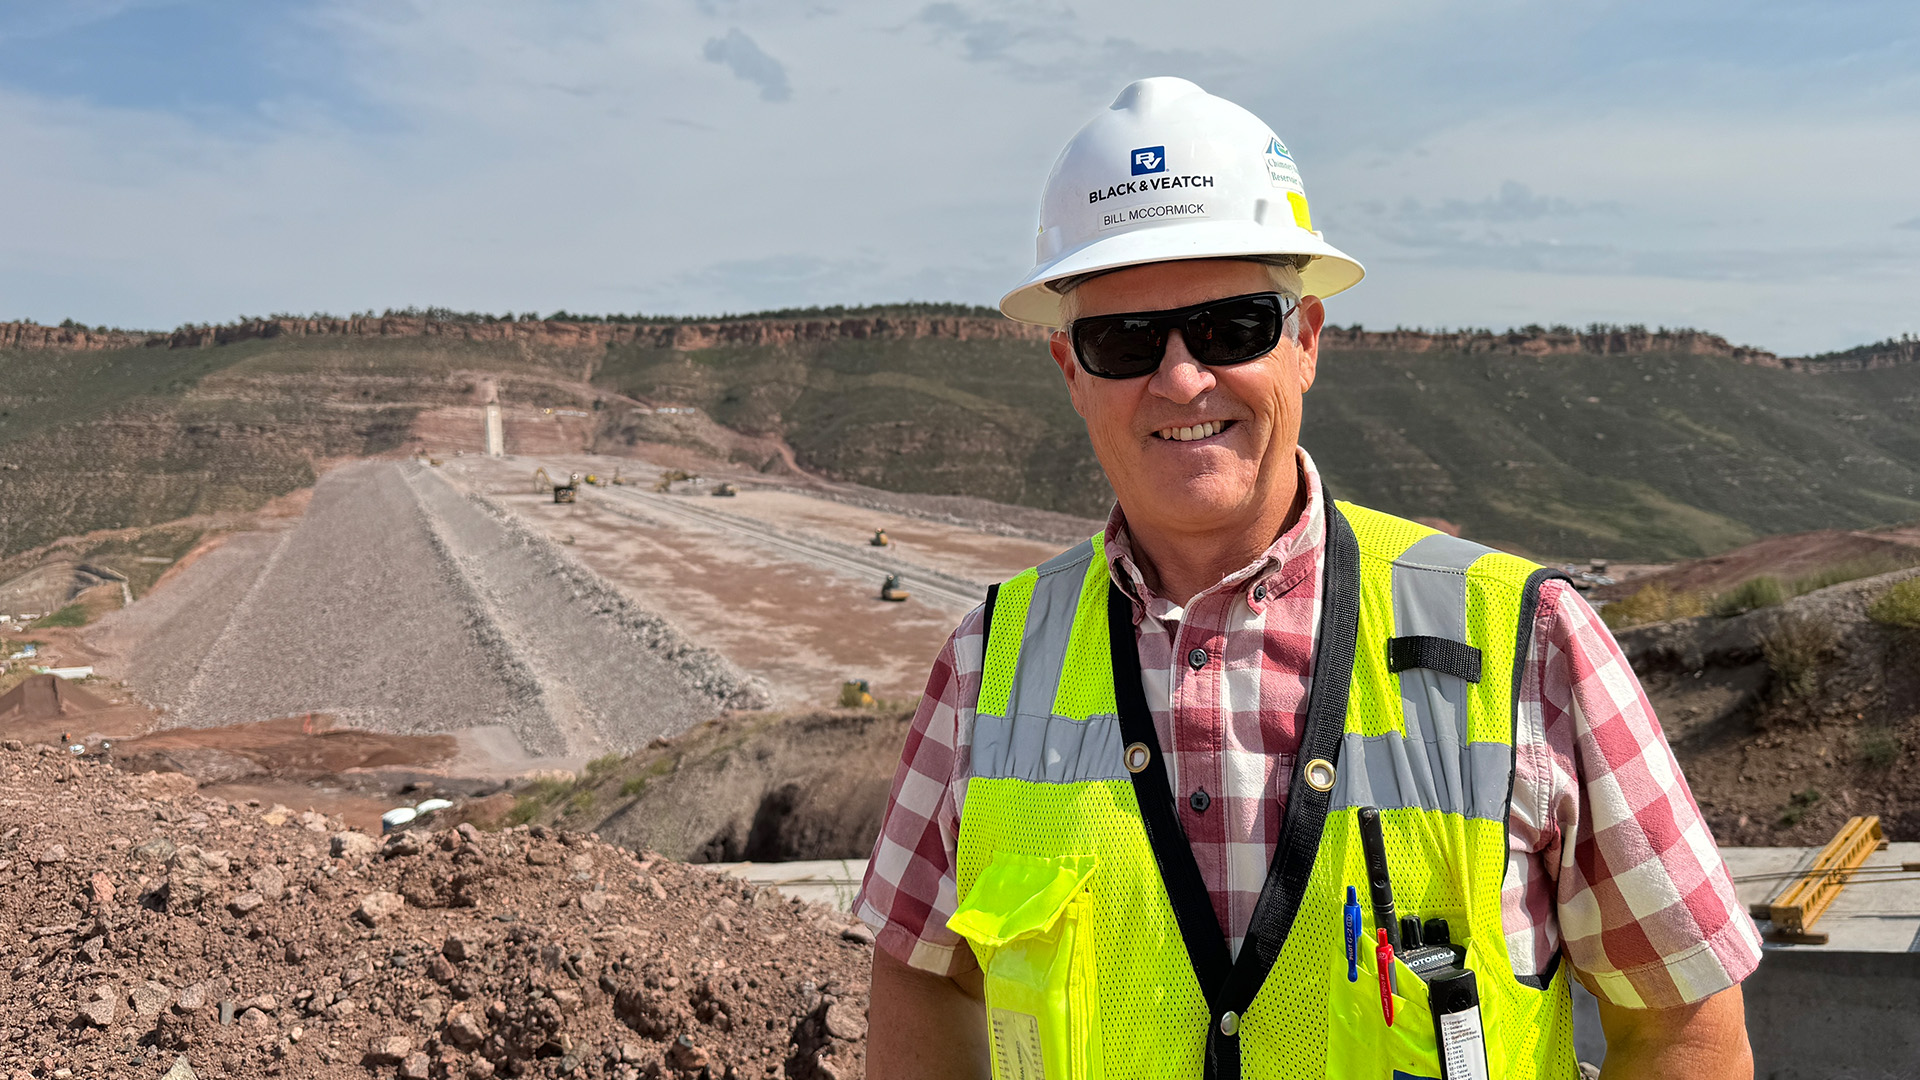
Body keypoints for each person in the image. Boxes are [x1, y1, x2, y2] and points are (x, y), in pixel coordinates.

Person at [855, 77, 1759, 1079]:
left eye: (1233, 327)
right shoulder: (993, 664)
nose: (1183, 378)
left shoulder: (1527, 641)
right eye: (1125, 341)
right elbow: (925, 978)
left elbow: (1680, 1023)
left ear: (1308, 342)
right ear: (1072, 373)